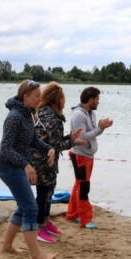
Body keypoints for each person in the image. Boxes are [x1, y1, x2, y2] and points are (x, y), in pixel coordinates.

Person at [0, 79, 58, 259]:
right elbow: (6, 149)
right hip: (7, 167)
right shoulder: (14, 117)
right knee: (31, 207)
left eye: (40, 96)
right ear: (25, 97)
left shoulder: (28, 114)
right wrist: (26, 165)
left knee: (24, 206)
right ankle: (37, 255)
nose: (40, 100)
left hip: (18, 165)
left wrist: (49, 148)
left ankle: (7, 246)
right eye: (37, 97)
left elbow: (32, 141)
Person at [31, 82, 86, 243]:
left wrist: (71, 138)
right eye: (63, 98)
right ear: (57, 100)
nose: (65, 101)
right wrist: (73, 142)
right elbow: (56, 146)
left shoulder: (44, 112)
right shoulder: (53, 118)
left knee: (48, 191)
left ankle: (46, 222)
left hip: (43, 159)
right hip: (43, 161)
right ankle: (39, 227)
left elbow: (53, 140)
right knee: (44, 193)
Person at [66, 86, 113, 229]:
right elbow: (81, 137)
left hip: (87, 155)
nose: (98, 102)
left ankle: (72, 214)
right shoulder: (78, 115)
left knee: (79, 184)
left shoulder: (91, 113)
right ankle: (85, 220)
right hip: (80, 155)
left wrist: (101, 128)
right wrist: (100, 129)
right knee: (83, 187)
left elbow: (92, 133)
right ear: (91, 99)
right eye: (97, 99)